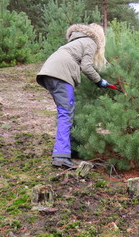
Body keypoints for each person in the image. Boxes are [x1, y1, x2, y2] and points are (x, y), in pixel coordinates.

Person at [36, 23, 111, 168]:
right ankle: (61, 156)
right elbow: (86, 67)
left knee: (65, 112)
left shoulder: (77, 40)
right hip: (61, 74)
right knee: (65, 113)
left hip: (50, 73)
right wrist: (99, 80)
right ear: (99, 36)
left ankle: (67, 150)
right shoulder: (90, 41)